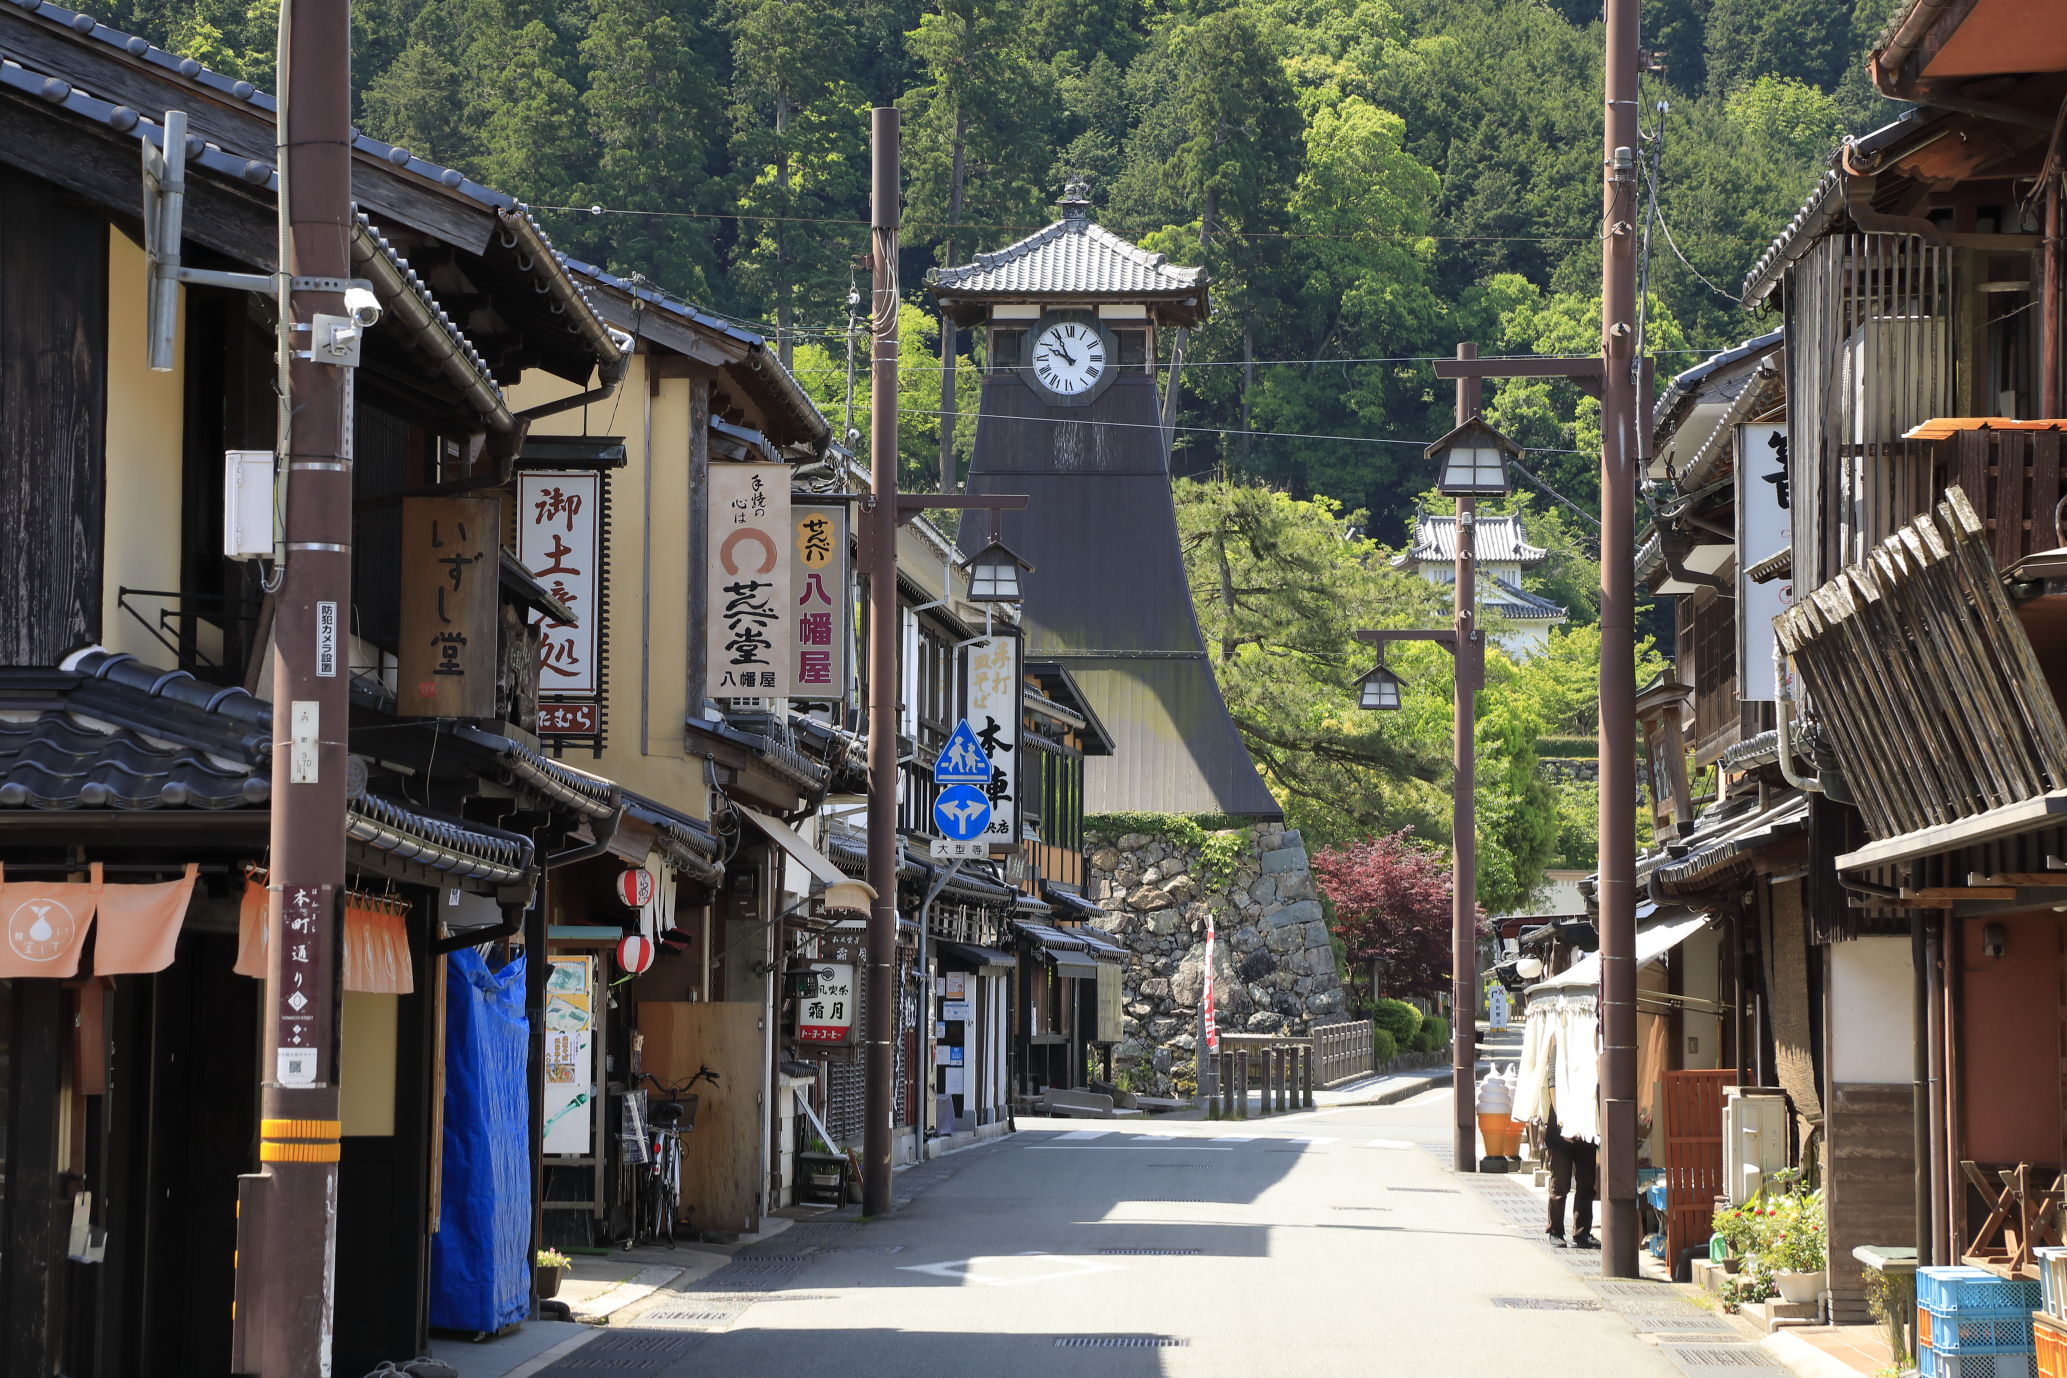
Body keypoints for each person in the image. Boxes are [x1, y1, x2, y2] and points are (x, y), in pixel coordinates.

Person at [1543, 1102, 1598, 1249]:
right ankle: (1555, 1231)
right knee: (1560, 1185)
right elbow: (1554, 1092)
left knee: (1586, 1185)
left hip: (1586, 1132)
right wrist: (1564, 1126)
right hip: (1560, 1133)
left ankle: (1582, 1233)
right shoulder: (1558, 1077)